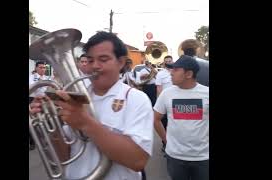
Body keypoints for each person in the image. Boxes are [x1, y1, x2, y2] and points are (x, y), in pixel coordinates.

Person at [30, 31, 154, 180]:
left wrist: (85, 122)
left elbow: (138, 160)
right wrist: (52, 127)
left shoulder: (136, 99)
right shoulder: (74, 97)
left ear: (120, 62)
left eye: (103, 59)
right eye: (89, 60)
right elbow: (64, 156)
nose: (94, 66)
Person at [153, 55, 209, 180]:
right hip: (175, 157)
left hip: (203, 158)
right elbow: (155, 118)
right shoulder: (167, 94)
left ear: (188, 74)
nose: (171, 73)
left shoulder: (206, 93)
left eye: (176, 70)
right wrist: (166, 140)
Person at [29, 61, 50, 150]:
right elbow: (31, 88)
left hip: (44, 100)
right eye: (41, 67)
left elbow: (49, 88)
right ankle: (32, 142)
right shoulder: (31, 77)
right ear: (36, 68)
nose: (43, 69)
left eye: (44, 67)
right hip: (33, 100)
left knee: (45, 119)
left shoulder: (47, 78)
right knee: (33, 122)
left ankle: (46, 139)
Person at [155, 55, 174, 152]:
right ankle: (165, 143)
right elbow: (159, 88)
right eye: (166, 61)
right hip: (166, 102)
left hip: (176, 102)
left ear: (172, 61)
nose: (168, 62)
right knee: (164, 123)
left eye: (170, 61)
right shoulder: (160, 74)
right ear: (164, 62)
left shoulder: (177, 71)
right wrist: (161, 102)